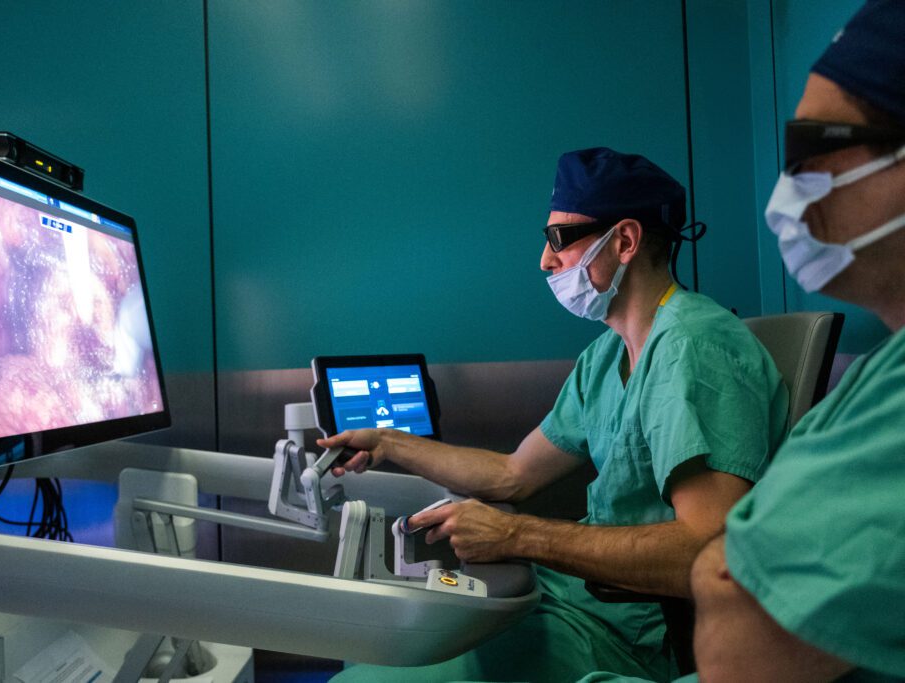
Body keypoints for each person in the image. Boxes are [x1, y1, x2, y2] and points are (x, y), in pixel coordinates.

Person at [321, 148, 788, 682]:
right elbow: (512, 474)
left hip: (631, 635)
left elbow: (708, 548)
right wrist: (388, 442)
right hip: (571, 601)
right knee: (376, 645)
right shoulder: (607, 355)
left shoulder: (695, 348)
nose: (546, 260)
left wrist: (516, 536)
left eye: (560, 239)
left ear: (625, 241)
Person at [688, 2, 905, 681]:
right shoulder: (884, 367)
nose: (784, 190)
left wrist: (722, 558)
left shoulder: (694, 343)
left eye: (809, 149)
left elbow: (738, 641)